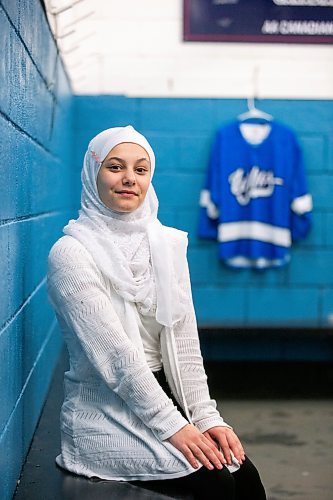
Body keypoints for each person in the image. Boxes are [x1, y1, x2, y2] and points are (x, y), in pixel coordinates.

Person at [47, 125, 266, 499]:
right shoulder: (70, 254)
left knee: (244, 477)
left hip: (166, 395)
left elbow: (183, 342)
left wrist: (205, 417)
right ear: (92, 173)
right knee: (214, 486)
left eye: (141, 169)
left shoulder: (166, 244)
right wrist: (174, 427)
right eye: (115, 167)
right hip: (105, 410)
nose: (129, 178)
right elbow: (117, 357)